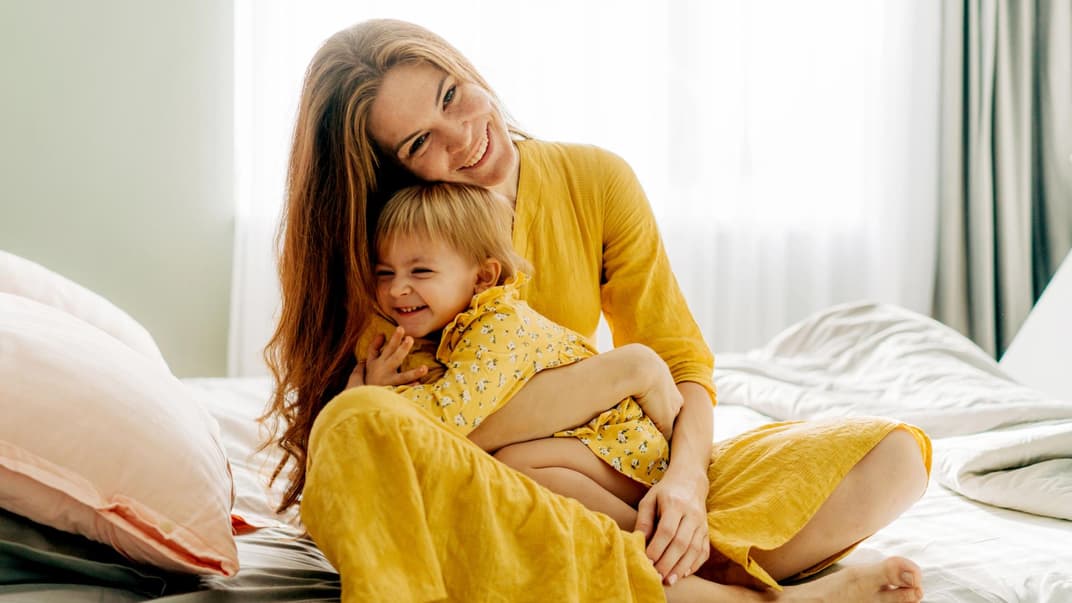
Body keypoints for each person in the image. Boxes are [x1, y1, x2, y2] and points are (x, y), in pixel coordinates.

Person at [262, 17, 932, 602]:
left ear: (464, 71)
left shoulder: (594, 179)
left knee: (897, 456)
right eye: (418, 144)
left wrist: (686, 484)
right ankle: (741, 591)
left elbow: (677, 362)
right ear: (393, 170)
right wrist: (618, 376)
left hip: (614, 467)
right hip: (503, 491)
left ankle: (682, 560)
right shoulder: (390, 250)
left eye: (451, 95)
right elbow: (421, 438)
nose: (462, 135)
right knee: (445, 457)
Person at [358, 181, 679, 531]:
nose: (396, 289)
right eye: (384, 273)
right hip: (586, 450)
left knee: (515, 463)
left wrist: (371, 397)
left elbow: (448, 415)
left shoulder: (495, 326)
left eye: (421, 272)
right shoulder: (455, 332)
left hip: (622, 447)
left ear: (482, 277)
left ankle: (651, 543)